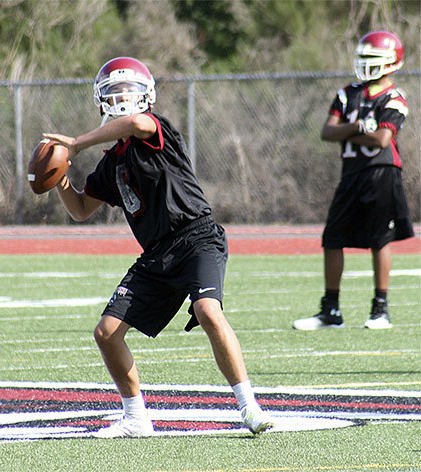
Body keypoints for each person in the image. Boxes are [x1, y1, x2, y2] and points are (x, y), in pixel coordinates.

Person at [43, 57, 274, 437]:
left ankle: (249, 407)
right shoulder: (109, 164)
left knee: (207, 311)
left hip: (197, 236)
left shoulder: (154, 129)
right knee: (106, 332)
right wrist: (59, 176)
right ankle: (136, 417)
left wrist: (77, 142)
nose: (121, 99)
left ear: (146, 96)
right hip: (156, 254)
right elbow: (82, 209)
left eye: (128, 91)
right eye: (113, 92)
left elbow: (136, 123)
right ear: (101, 100)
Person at [293, 31, 414, 331]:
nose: (365, 64)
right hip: (351, 173)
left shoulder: (394, 97)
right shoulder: (348, 93)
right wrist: (360, 126)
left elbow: (382, 140)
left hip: (382, 173)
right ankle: (330, 311)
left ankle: (380, 309)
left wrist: (348, 129)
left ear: (390, 62)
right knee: (332, 239)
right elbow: (326, 132)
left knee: (380, 239)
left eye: (372, 59)